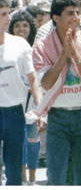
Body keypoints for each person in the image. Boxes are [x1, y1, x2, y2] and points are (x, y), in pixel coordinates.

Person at [31, 0, 81, 185]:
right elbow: (46, 83)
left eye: (78, 13)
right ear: (56, 17)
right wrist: (63, 55)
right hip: (58, 119)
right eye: (70, 13)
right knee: (56, 177)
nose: (76, 18)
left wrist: (76, 57)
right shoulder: (42, 45)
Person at [0, 0, 41, 185]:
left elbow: (33, 80)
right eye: (3, 15)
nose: (8, 19)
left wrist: (40, 110)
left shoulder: (20, 44)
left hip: (15, 113)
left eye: (8, 13)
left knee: (15, 170)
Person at [9, 12, 40, 185]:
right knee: (18, 141)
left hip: (34, 100)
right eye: (17, 25)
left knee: (33, 140)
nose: (21, 29)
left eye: (25, 25)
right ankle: (22, 178)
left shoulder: (37, 47)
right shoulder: (8, 47)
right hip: (15, 101)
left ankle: (33, 179)